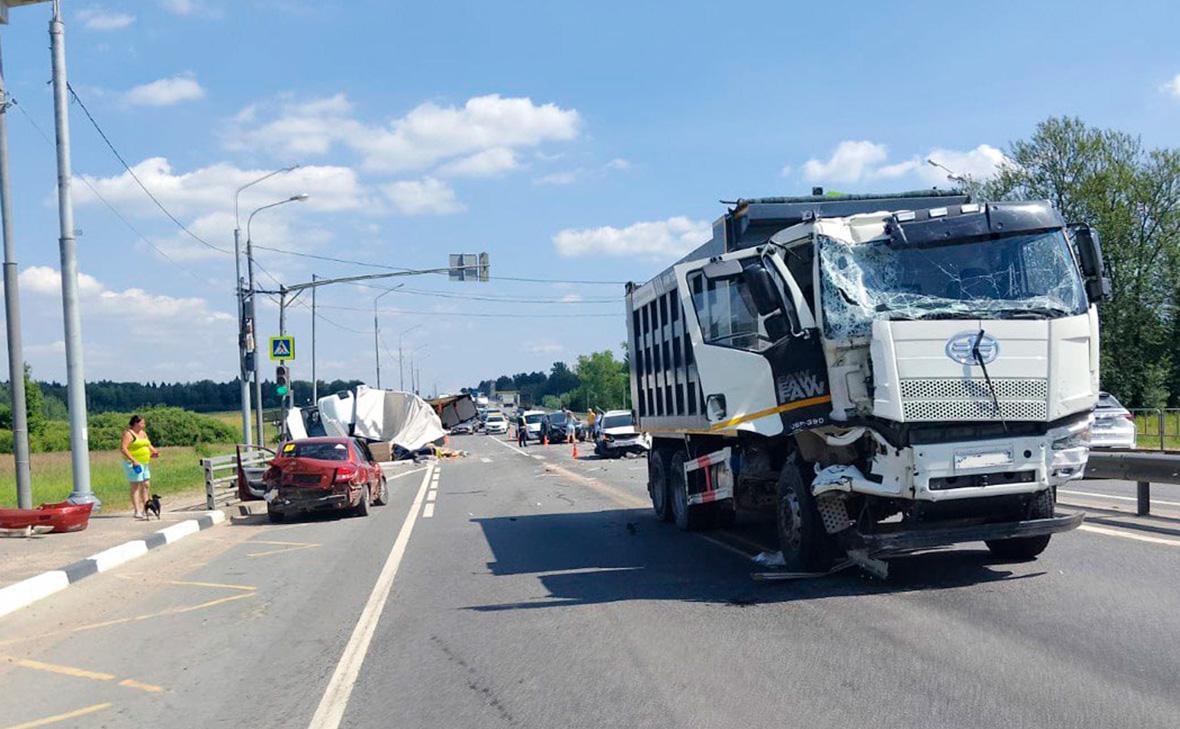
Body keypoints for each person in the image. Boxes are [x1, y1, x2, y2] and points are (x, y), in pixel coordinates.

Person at [120, 415, 160, 520]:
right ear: (136, 423)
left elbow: (148, 444)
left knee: (146, 484)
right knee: (136, 486)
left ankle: (146, 507)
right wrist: (133, 460)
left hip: (145, 462)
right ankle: (137, 510)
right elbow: (123, 448)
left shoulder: (143, 433)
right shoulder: (129, 434)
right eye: (142, 423)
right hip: (134, 463)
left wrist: (154, 451)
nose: (144, 425)